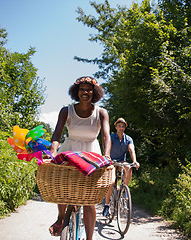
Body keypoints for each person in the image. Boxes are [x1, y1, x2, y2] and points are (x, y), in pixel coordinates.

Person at [48, 76, 111, 240]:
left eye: (89, 89)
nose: (85, 92)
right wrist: (52, 152)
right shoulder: (66, 111)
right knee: (62, 188)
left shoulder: (101, 112)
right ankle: (61, 218)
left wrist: (107, 156)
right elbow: (57, 134)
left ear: (94, 93)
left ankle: (89, 238)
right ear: (77, 92)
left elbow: (105, 137)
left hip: (91, 153)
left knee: (89, 200)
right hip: (70, 151)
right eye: (82, 89)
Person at [102, 117, 140, 217]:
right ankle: (106, 205)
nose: (121, 128)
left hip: (121, 162)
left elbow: (132, 150)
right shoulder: (111, 137)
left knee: (128, 167)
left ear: (124, 128)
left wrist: (134, 161)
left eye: (123, 126)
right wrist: (107, 157)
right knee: (112, 182)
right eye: (119, 126)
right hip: (112, 161)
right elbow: (108, 147)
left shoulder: (128, 139)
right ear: (116, 127)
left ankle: (124, 190)